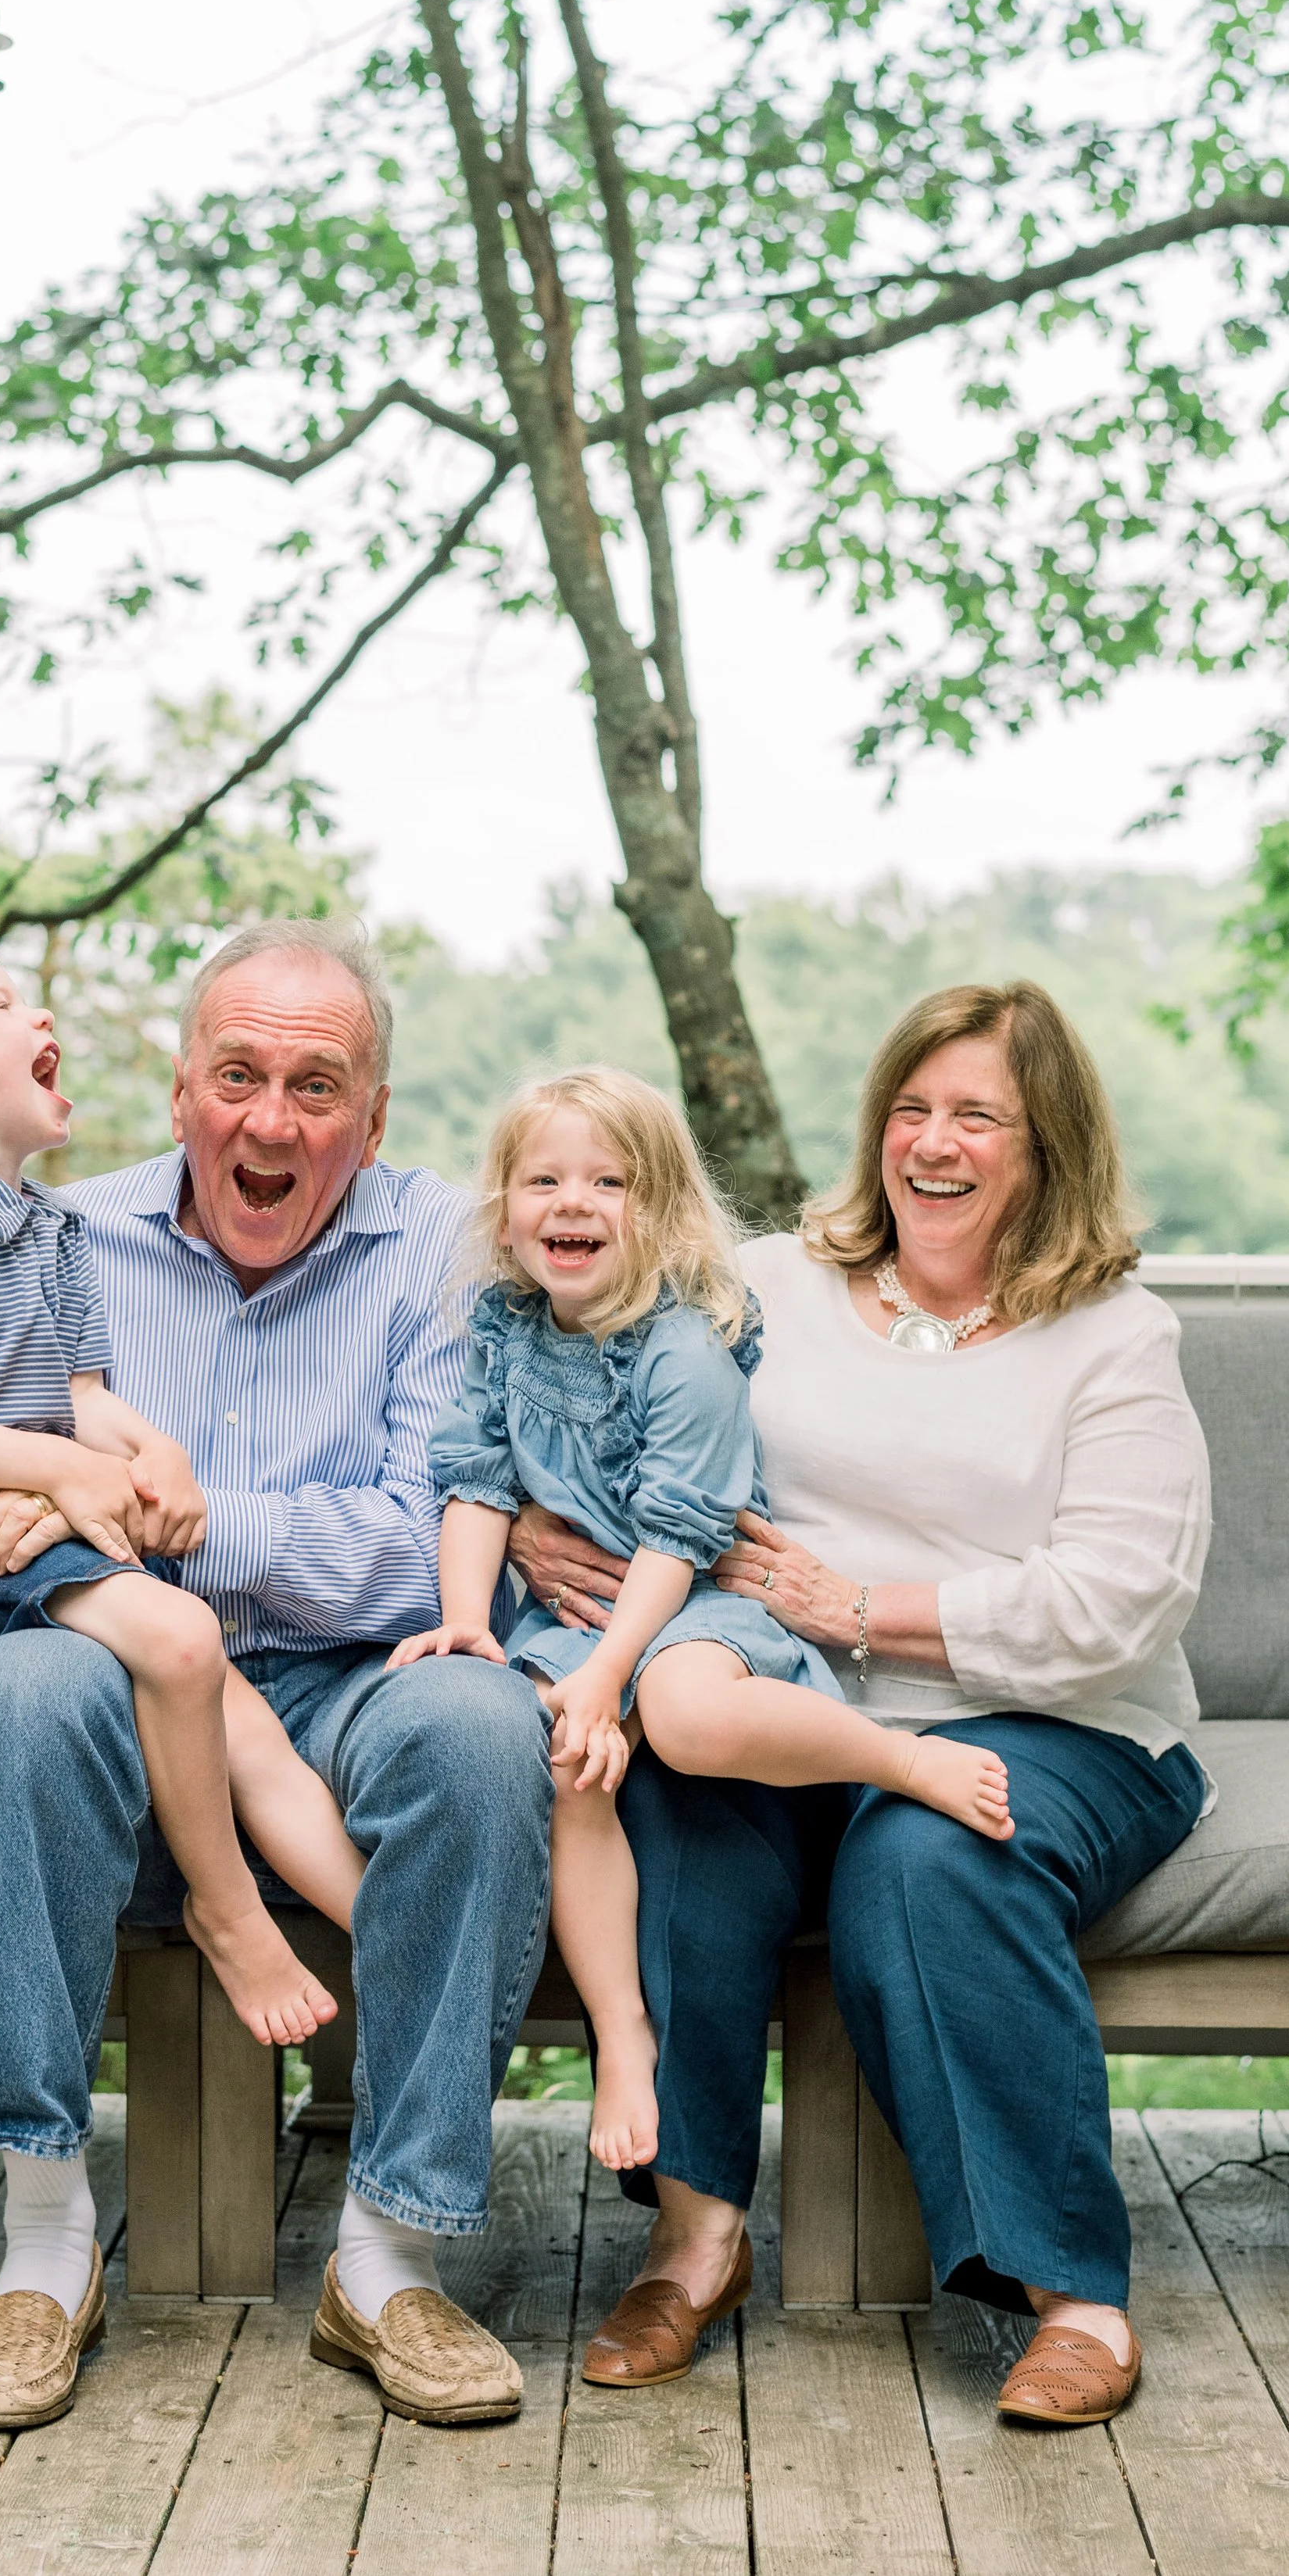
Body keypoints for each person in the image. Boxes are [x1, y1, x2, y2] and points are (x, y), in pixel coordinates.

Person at [0, 920, 543, 2436]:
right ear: (181, 1087)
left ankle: (385, 2257)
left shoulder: (444, 1256)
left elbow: (420, 1552)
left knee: (479, 1717)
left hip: (344, 1683)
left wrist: (116, 1510)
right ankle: (44, 2244)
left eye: (315, 1088)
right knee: (28, 1687)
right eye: (235, 1073)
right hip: (114, 1687)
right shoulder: (45, 1226)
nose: (269, 1119)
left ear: (370, 1122)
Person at [510, 983, 1210, 2421]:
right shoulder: (768, 1284)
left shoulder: (1114, 1338)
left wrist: (869, 1614)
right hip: (784, 1703)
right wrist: (527, 1522)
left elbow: (1120, 1600)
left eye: (976, 1115)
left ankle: (1072, 2291)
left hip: (1059, 1722)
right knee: (673, 1809)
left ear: (1047, 1143)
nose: (931, 1143)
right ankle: (694, 2236)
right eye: (910, 1107)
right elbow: (587, 1372)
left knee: (927, 1852)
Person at [393, 1067, 1013, 2184]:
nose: (571, 1203)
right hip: (573, 1620)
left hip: (697, 1604)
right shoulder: (502, 1325)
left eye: (608, 1181)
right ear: (504, 1203)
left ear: (665, 1207)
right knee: (568, 1763)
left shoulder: (681, 1346)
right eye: (544, 1178)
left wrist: (612, 1672)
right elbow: (476, 1480)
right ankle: (623, 2038)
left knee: (676, 1712)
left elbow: (682, 1534)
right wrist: (465, 1625)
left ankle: (899, 1759)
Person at [0, 925, 363, 2066]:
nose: (38, 1016)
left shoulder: (46, 1223)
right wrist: (62, 1473)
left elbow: (85, 1398)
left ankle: (394, 1934)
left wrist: (163, 1465)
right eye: (2, 1004)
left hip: (45, 1540)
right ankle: (230, 1911)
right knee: (188, 1638)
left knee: (237, 1715)